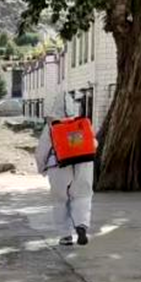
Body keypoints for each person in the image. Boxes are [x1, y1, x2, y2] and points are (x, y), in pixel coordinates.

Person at [35, 93, 96, 246]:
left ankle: (65, 235)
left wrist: (42, 168)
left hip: (58, 167)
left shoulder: (51, 127)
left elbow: (42, 151)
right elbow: (94, 144)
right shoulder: (81, 123)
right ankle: (81, 225)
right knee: (82, 196)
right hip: (83, 166)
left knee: (60, 201)